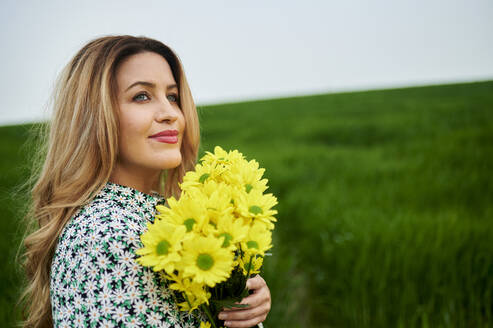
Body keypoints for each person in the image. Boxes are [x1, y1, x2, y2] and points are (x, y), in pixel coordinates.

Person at [18, 35, 271, 328]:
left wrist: (238, 300)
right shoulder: (108, 237)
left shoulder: (160, 216)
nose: (170, 114)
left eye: (172, 96)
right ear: (95, 115)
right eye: (142, 96)